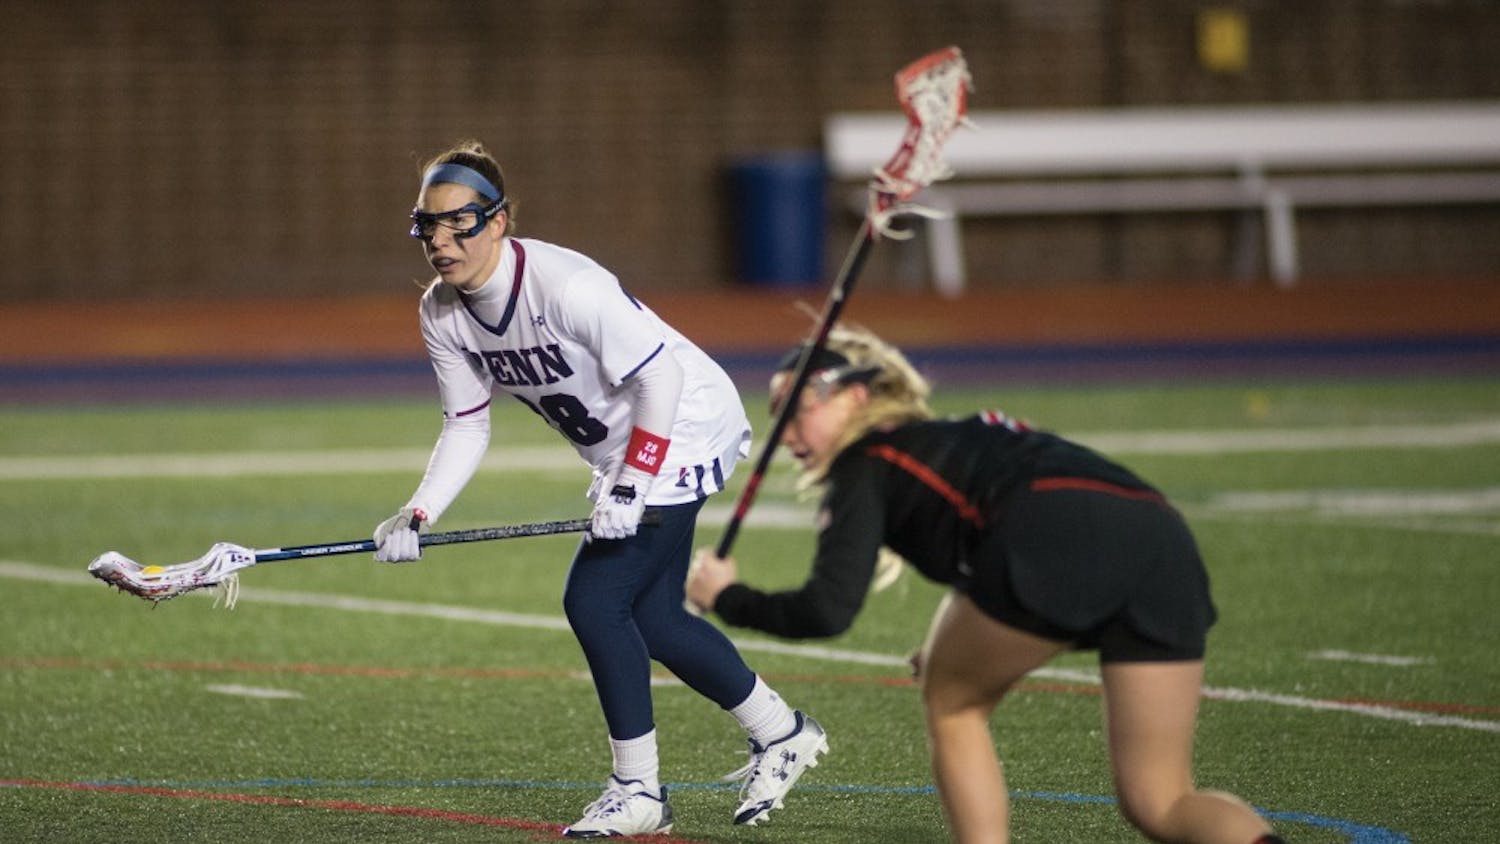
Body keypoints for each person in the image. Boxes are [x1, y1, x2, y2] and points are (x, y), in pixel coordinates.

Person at [372, 139, 827, 838]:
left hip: (683, 424)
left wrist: (633, 484)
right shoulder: (442, 312)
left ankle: (638, 791)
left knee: (595, 600)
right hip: (626, 451)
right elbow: (466, 425)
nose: (440, 240)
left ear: (499, 220)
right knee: (654, 618)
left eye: (458, 222)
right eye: (427, 224)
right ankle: (783, 732)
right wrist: (419, 510)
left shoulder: (565, 286)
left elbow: (661, 380)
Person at [685, 324, 1285, 844]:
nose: (786, 431)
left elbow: (827, 610)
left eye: (799, 408)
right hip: (1162, 537)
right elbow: (994, 535)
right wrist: (955, 643)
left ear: (858, 396)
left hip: (1051, 532)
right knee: (1161, 802)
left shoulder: (868, 463)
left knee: (952, 704)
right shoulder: (951, 441)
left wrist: (725, 597)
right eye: (777, 414)